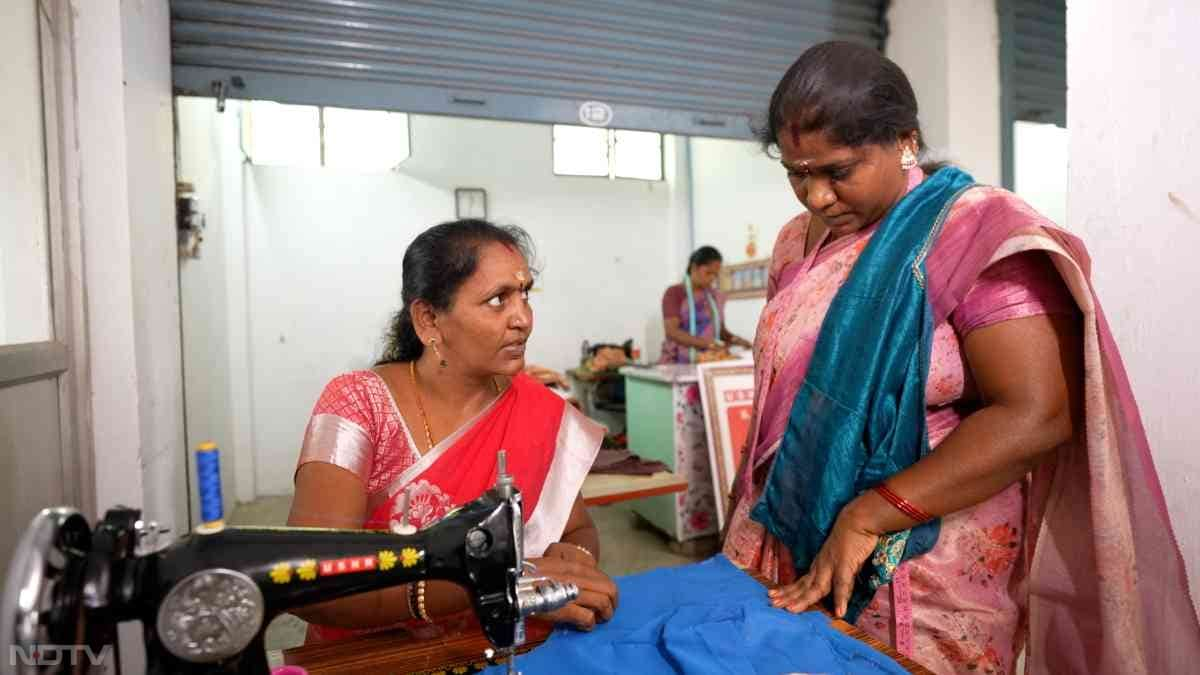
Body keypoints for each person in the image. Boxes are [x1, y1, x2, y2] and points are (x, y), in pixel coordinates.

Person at [722, 41, 1200, 674]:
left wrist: (869, 516)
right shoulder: (794, 243)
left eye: (836, 171)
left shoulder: (973, 230)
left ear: (904, 141)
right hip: (787, 535)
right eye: (796, 171)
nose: (814, 196)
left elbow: (1036, 415)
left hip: (920, 574)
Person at [287, 219, 619, 643]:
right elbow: (309, 582)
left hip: (496, 645)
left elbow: (578, 531)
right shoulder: (358, 405)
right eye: (498, 299)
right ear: (428, 320)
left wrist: (575, 563)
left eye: (525, 295)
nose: (523, 319)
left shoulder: (539, 409)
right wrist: (506, 584)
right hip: (374, 656)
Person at [659, 246, 752, 363]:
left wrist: (736, 340)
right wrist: (708, 344)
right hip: (678, 361)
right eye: (708, 273)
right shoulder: (674, 293)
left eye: (715, 274)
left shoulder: (714, 296)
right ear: (693, 267)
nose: (712, 278)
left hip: (708, 360)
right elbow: (672, 331)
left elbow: (719, 330)